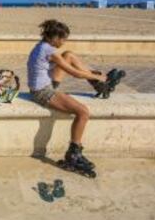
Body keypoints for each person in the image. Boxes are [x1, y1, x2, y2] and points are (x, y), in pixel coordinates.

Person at [28, 19, 107, 170]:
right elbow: (74, 73)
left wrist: (93, 75)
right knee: (83, 112)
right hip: (42, 92)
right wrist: (96, 76)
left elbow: (67, 64)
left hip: (46, 83)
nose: (63, 42)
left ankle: (99, 86)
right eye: (63, 39)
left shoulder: (42, 46)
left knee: (69, 54)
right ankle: (74, 154)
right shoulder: (49, 51)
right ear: (54, 38)